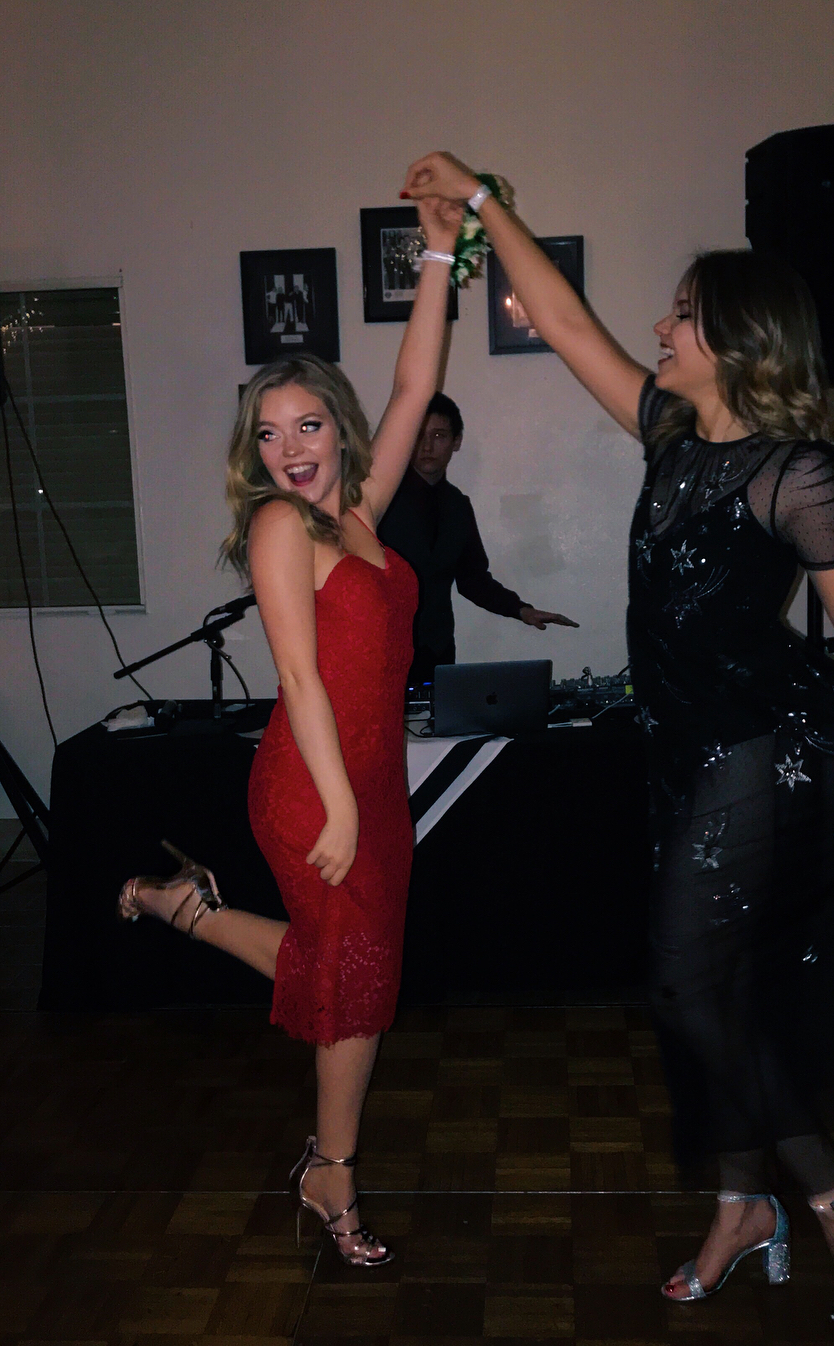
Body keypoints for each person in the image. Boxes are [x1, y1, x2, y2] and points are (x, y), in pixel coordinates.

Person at [402, 152, 834, 1323]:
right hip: (673, 751)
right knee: (724, 985)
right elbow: (566, 321)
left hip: (755, 750)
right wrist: (490, 203)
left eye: (683, 314)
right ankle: (737, 1201)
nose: (660, 327)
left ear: (740, 341)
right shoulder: (667, 431)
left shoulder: (793, 473)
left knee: (686, 985)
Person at [117, 196, 464, 1269]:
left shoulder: (356, 513)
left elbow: (414, 385)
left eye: (307, 425)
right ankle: (331, 1175)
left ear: (338, 430)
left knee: (344, 965)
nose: (287, 450)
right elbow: (302, 678)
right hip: (314, 785)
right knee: (354, 989)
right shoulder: (279, 525)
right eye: (266, 435)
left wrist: (440, 251)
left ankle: (182, 904)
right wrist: (346, 807)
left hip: (371, 778)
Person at [378, 390, 579, 689]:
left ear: (456, 441)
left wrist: (521, 610)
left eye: (439, 435)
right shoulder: (379, 499)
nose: (427, 446)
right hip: (381, 647)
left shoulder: (458, 505)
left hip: (437, 650)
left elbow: (473, 579)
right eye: (419, 434)